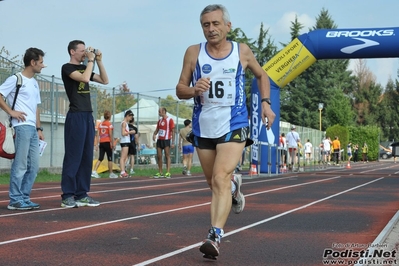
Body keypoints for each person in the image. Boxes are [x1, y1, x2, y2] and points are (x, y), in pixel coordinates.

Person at [175, 4, 276, 259]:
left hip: (234, 122)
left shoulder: (241, 51)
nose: (211, 29)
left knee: (219, 177)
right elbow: (179, 89)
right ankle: (234, 188)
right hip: (204, 125)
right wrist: (194, 89)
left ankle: (215, 235)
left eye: (216, 24)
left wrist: (265, 103)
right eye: (206, 25)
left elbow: (262, 76)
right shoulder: (193, 53)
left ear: (227, 26)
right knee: (213, 182)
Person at [60, 40, 109, 208]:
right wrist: (90, 60)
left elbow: (105, 80)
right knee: (74, 156)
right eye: (81, 50)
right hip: (76, 116)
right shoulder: (67, 68)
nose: (85, 53)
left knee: (86, 156)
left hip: (88, 116)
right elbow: (85, 78)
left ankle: (82, 193)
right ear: (72, 52)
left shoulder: (85, 66)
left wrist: (99, 60)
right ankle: (68, 194)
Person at [0, 48, 45, 210]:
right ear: (32, 62)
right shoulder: (16, 79)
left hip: (32, 128)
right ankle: (15, 199)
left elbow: (36, 107)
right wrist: (11, 112)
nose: (43, 66)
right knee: (20, 165)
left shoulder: (34, 82)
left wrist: (39, 128)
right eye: (41, 62)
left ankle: (24, 197)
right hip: (21, 126)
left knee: (34, 166)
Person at [92, 110, 117, 179]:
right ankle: (111, 173)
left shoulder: (100, 124)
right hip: (107, 142)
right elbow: (110, 134)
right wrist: (112, 143)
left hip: (101, 143)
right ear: (109, 116)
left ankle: (94, 171)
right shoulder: (109, 124)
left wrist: (96, 144)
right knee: (110, 158)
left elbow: (97, 135)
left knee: (100, 158)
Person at [152, 107, 175, 178]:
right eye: (158, 112)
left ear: (164, 111)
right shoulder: (159, 121)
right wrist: (154, 134)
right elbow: (157, 129)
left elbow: (173, 131)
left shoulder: (170, 120)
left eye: (160, 112)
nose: (159, 113)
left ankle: (168, 172)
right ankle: (160, 172)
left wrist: (173, 142)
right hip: (160, 140)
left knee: (167, 155)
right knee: (159, 156)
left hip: (166, 139)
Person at [119, 110, 135, 178]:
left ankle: (123, 171)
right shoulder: (124, 123)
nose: (131, 119)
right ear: (127, 116)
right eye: (130, 117)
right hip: (124, 141)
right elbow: (123, 133)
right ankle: (122, 172)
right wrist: (130, 132)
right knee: (123, 157)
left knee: (125, 157)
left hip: (126, 141)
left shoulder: (125, 123)